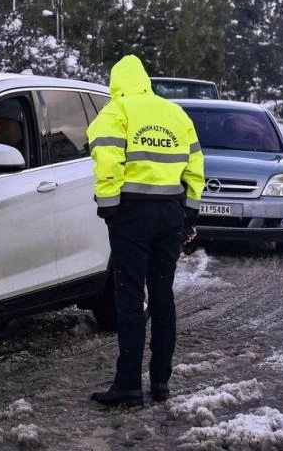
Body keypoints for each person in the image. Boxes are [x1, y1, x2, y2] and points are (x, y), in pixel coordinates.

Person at [87, 55, 205, 406]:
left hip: (131, 215)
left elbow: (107, 159)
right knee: (163, 298)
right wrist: (190, 214)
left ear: (115, 84)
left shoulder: (116, 111)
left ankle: (127, 385)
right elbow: (195, 164)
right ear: (146, 81)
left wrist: (109, 207)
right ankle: (160, 384)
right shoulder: (175, 113)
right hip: (170, 213)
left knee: (129, 298)